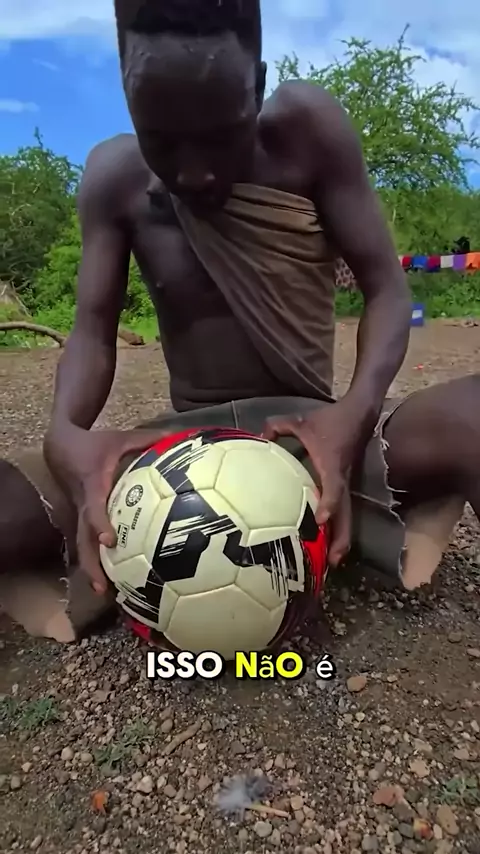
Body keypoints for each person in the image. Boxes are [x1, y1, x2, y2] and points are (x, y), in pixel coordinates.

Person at [1, 0, 420, 633]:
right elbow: (91, 330)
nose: (194, 172)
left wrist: (353, 417)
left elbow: (387, 289)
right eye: (162, 140)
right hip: (175, 459)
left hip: (311, 435)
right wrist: (65, 436)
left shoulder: (307, 133)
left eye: (223, 136)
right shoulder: (114, 179)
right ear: (127, 98)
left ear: (257, 84)